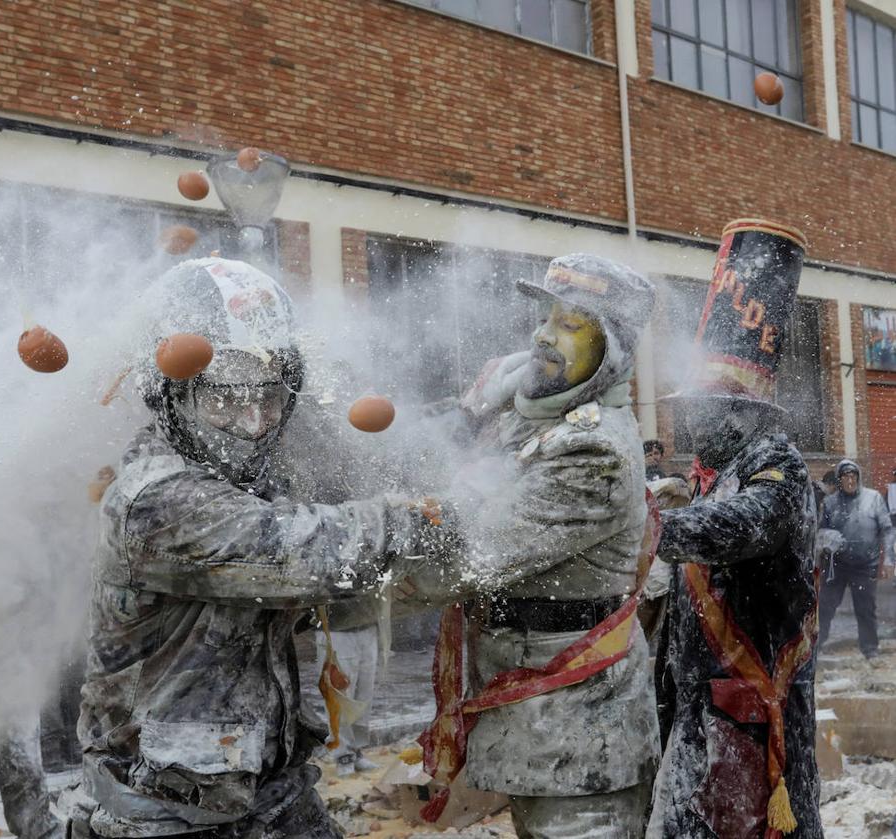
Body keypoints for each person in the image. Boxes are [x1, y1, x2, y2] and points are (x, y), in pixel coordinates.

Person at [59, 258, 446, 839]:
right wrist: (416, 522)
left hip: (262, 786)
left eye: (268, 398)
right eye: (226, 399)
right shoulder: (157, 497)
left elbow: (318, 605)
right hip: (163, 807)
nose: (253, 422)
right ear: (173, 394)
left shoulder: (247, 483)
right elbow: (297, 557)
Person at [415, 254, 660, 838]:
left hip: (578, 733)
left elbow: (471, 554)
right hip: (536, 715)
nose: (543, 335)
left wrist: (331, 562)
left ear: (614, 352)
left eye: (572, 325)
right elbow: (438, 451)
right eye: (549, 317)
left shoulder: (592, 448)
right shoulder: (531, 412)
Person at [649, 219, 821, 838]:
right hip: (702, 706)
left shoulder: (778, 466)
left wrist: (647, 526)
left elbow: (738, 525)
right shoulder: (714, 471)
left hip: (751, 713)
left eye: (703, 411)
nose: (691, 424)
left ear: (742, 414)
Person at [819, 459, 895, 663]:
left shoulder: (874, 499)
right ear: (839, 479)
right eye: (845, 477)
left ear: (858, 478)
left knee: (866, 609)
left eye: (853, 476)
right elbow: (818, 532)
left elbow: (887, 530)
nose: (850, 480)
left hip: (864, 565)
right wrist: (828, 537)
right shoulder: (830, 503)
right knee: (825, 607)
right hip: (836, 565)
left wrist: (888, 559)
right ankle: (815, 647)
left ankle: (870, 649)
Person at [313, 596, 383, 777]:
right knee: (338, 695)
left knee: (363, 694)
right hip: (336, 629)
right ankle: (342, 755)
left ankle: (357, 751)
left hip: (367, 624)